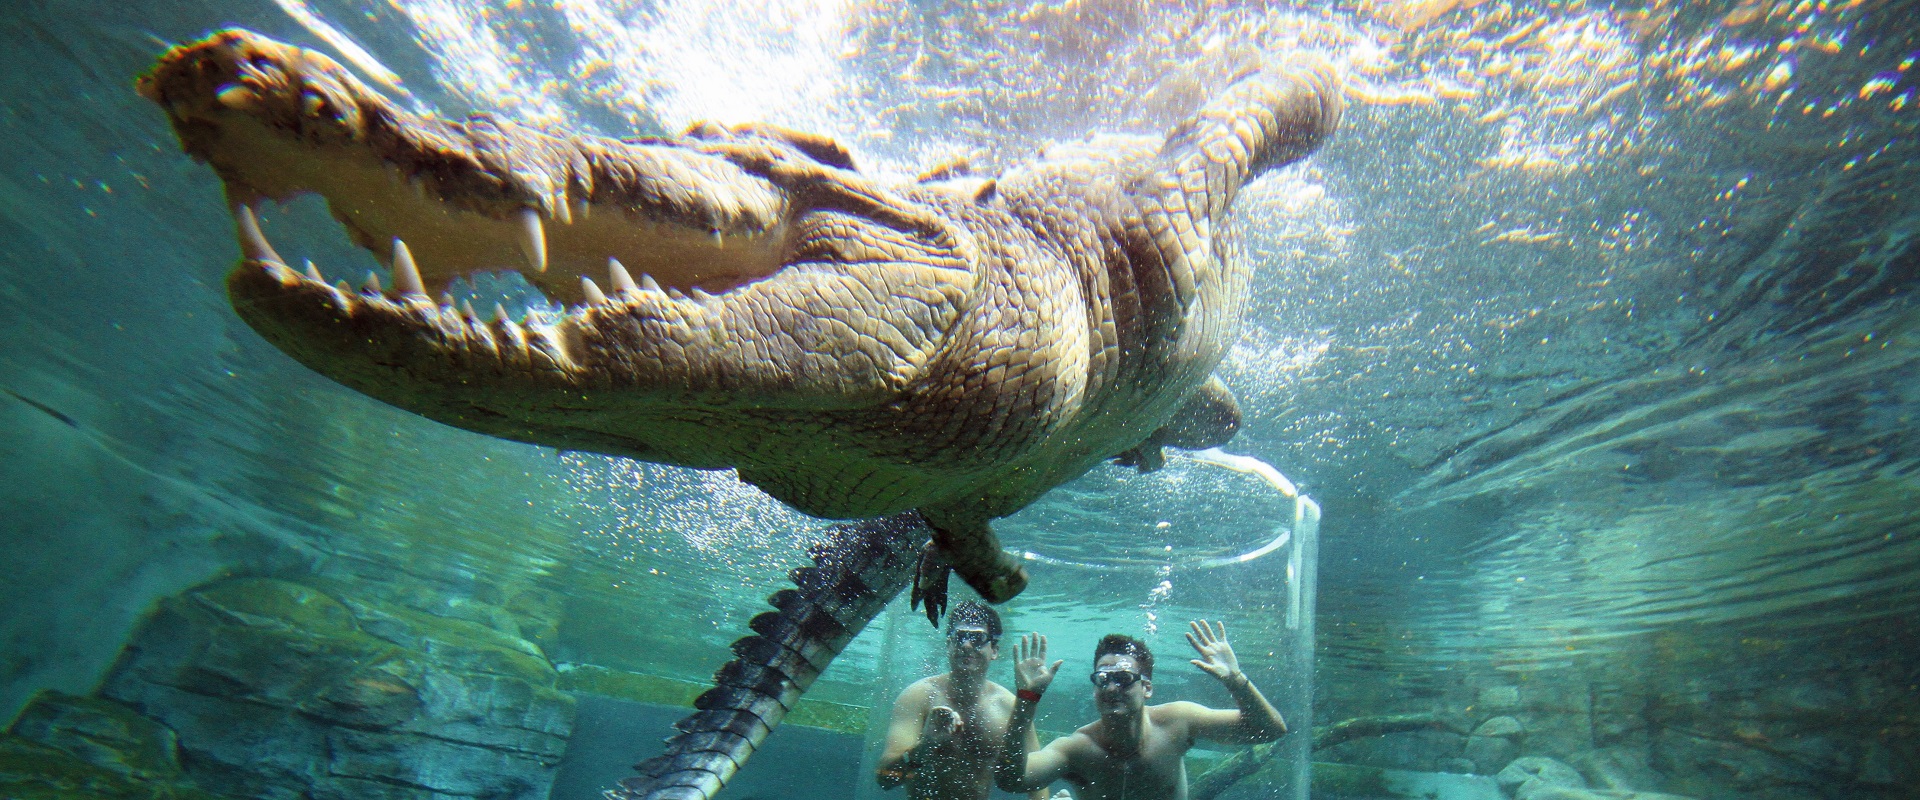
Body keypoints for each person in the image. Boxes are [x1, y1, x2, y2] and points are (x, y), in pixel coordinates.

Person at [993, 621, 1288, 800]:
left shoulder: (1178, 723)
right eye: (1103, 679)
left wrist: (1236, 681)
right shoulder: (1077, 751)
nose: (1111, 689)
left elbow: (1270, 730)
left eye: (1123, 679)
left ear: (1147, 687)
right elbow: (1011, 780)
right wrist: (1027, 698)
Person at [877, 601, 1051, 800]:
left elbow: (1036, 785)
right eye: (960, 637)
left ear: (994, 650)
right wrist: (925, 746)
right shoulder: (918, 696)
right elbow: (884, 780)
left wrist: (1028, 697)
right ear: (948, 644)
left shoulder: (1010, 706)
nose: (967, 645)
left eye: (977, 638)